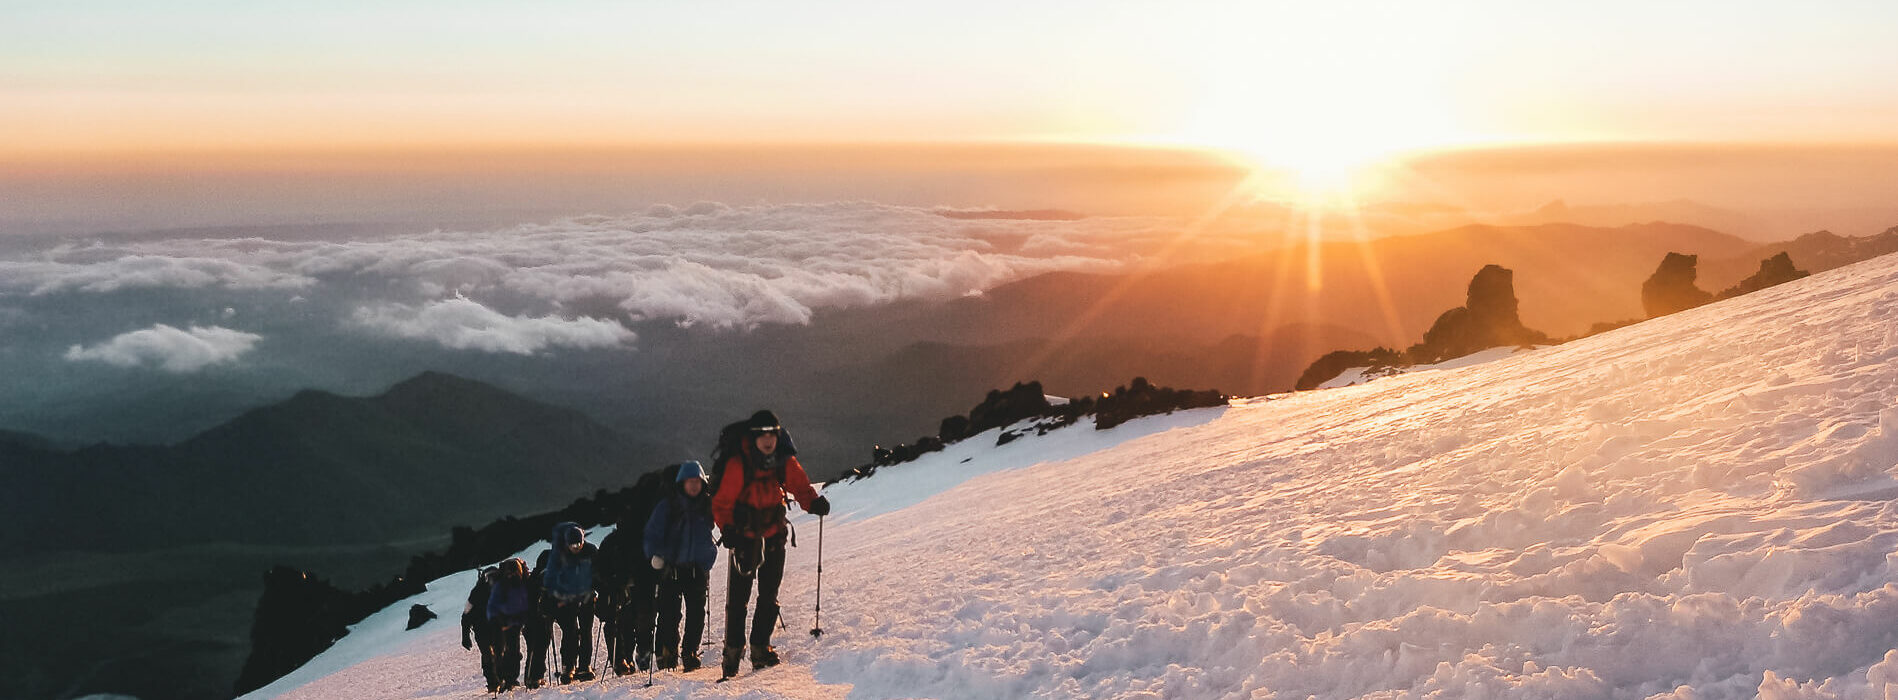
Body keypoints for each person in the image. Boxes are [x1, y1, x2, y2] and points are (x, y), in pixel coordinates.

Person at [712, 410, 831, 677]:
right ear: (754, 437)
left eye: (772, 434)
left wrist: (813, 502)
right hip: (744, 537)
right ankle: (733, 653)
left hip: (773, 533)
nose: (768, 440)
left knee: (768, 593)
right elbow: (721, 503)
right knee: (739, 599)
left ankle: (759, 648)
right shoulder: (738, 463)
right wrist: (727, 528)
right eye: (762, 435)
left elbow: (799, 485)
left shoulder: (782, 461)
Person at [644, 461, 718, 672]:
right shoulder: (668, 506)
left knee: (696, 614)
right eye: (690, 482)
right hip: (671, 569)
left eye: (697, 482)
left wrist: (709, 556)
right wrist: (654, 556)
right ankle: (669, 653)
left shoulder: (707, 504)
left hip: (696, 569)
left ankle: (689, 652)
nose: (694, 486)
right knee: (669, 615)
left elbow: (722, 521)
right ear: (682, 483)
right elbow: (652, 534)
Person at [530, 522, 598, 685]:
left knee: (586, 630)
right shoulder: (556, 555)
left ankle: (584, 666)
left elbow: (599, 572)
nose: (576, 547)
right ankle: (569, 667)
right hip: (566, 600)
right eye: (573, 545)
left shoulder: (591, 551)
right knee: (571, 631)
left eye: (579, 544)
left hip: (586, 596)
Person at [485, 558, 534, 693]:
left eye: (513, 573)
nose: (511, 576)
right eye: (509, 574)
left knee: (513, 650)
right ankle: (507, 679)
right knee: (508, 651)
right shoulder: (502, 586)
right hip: (505, 622)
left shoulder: (523, 583)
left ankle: (510, 679)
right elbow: (493, 606)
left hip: (516, 620)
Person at [461, 567, 501, 692]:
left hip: (487, 628)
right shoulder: (478, 592)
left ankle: (496, 681)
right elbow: (466, 615)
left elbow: (466, 615)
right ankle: (494, 682)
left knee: (493, 654)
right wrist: (465, 636)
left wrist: (465, 635)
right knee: (491, 654)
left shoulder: (478, 592)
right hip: (485, 629)